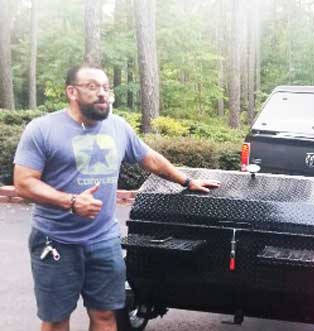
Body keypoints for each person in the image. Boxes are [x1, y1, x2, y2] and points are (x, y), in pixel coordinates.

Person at [13, 65, 221, 331]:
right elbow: (24, 182)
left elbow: (150, 158)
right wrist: (71, 201)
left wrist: (187, 180)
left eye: (105, 87)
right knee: (56, 321)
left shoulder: (117, 126)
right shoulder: (43, 129)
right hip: (56, 241)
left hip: (103, 242)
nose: (102, 94)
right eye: (92, 86)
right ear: (71, 92)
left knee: (106, 317)